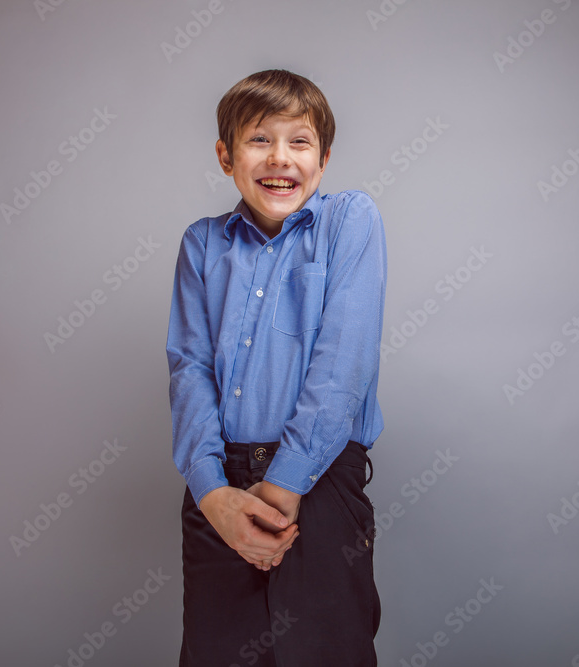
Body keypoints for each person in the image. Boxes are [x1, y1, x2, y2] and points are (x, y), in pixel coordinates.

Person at [166, 68, 387, 666]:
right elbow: (188, 368)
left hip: (319, 481)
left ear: (324, 158)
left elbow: (345, 361)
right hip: (221, 486)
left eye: (300, 141)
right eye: (259, 139)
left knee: (325, 651)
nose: (280, 158)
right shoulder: (202, 244)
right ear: (225, 155)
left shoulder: (350, 222)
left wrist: (286, 483)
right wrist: (212, 496)